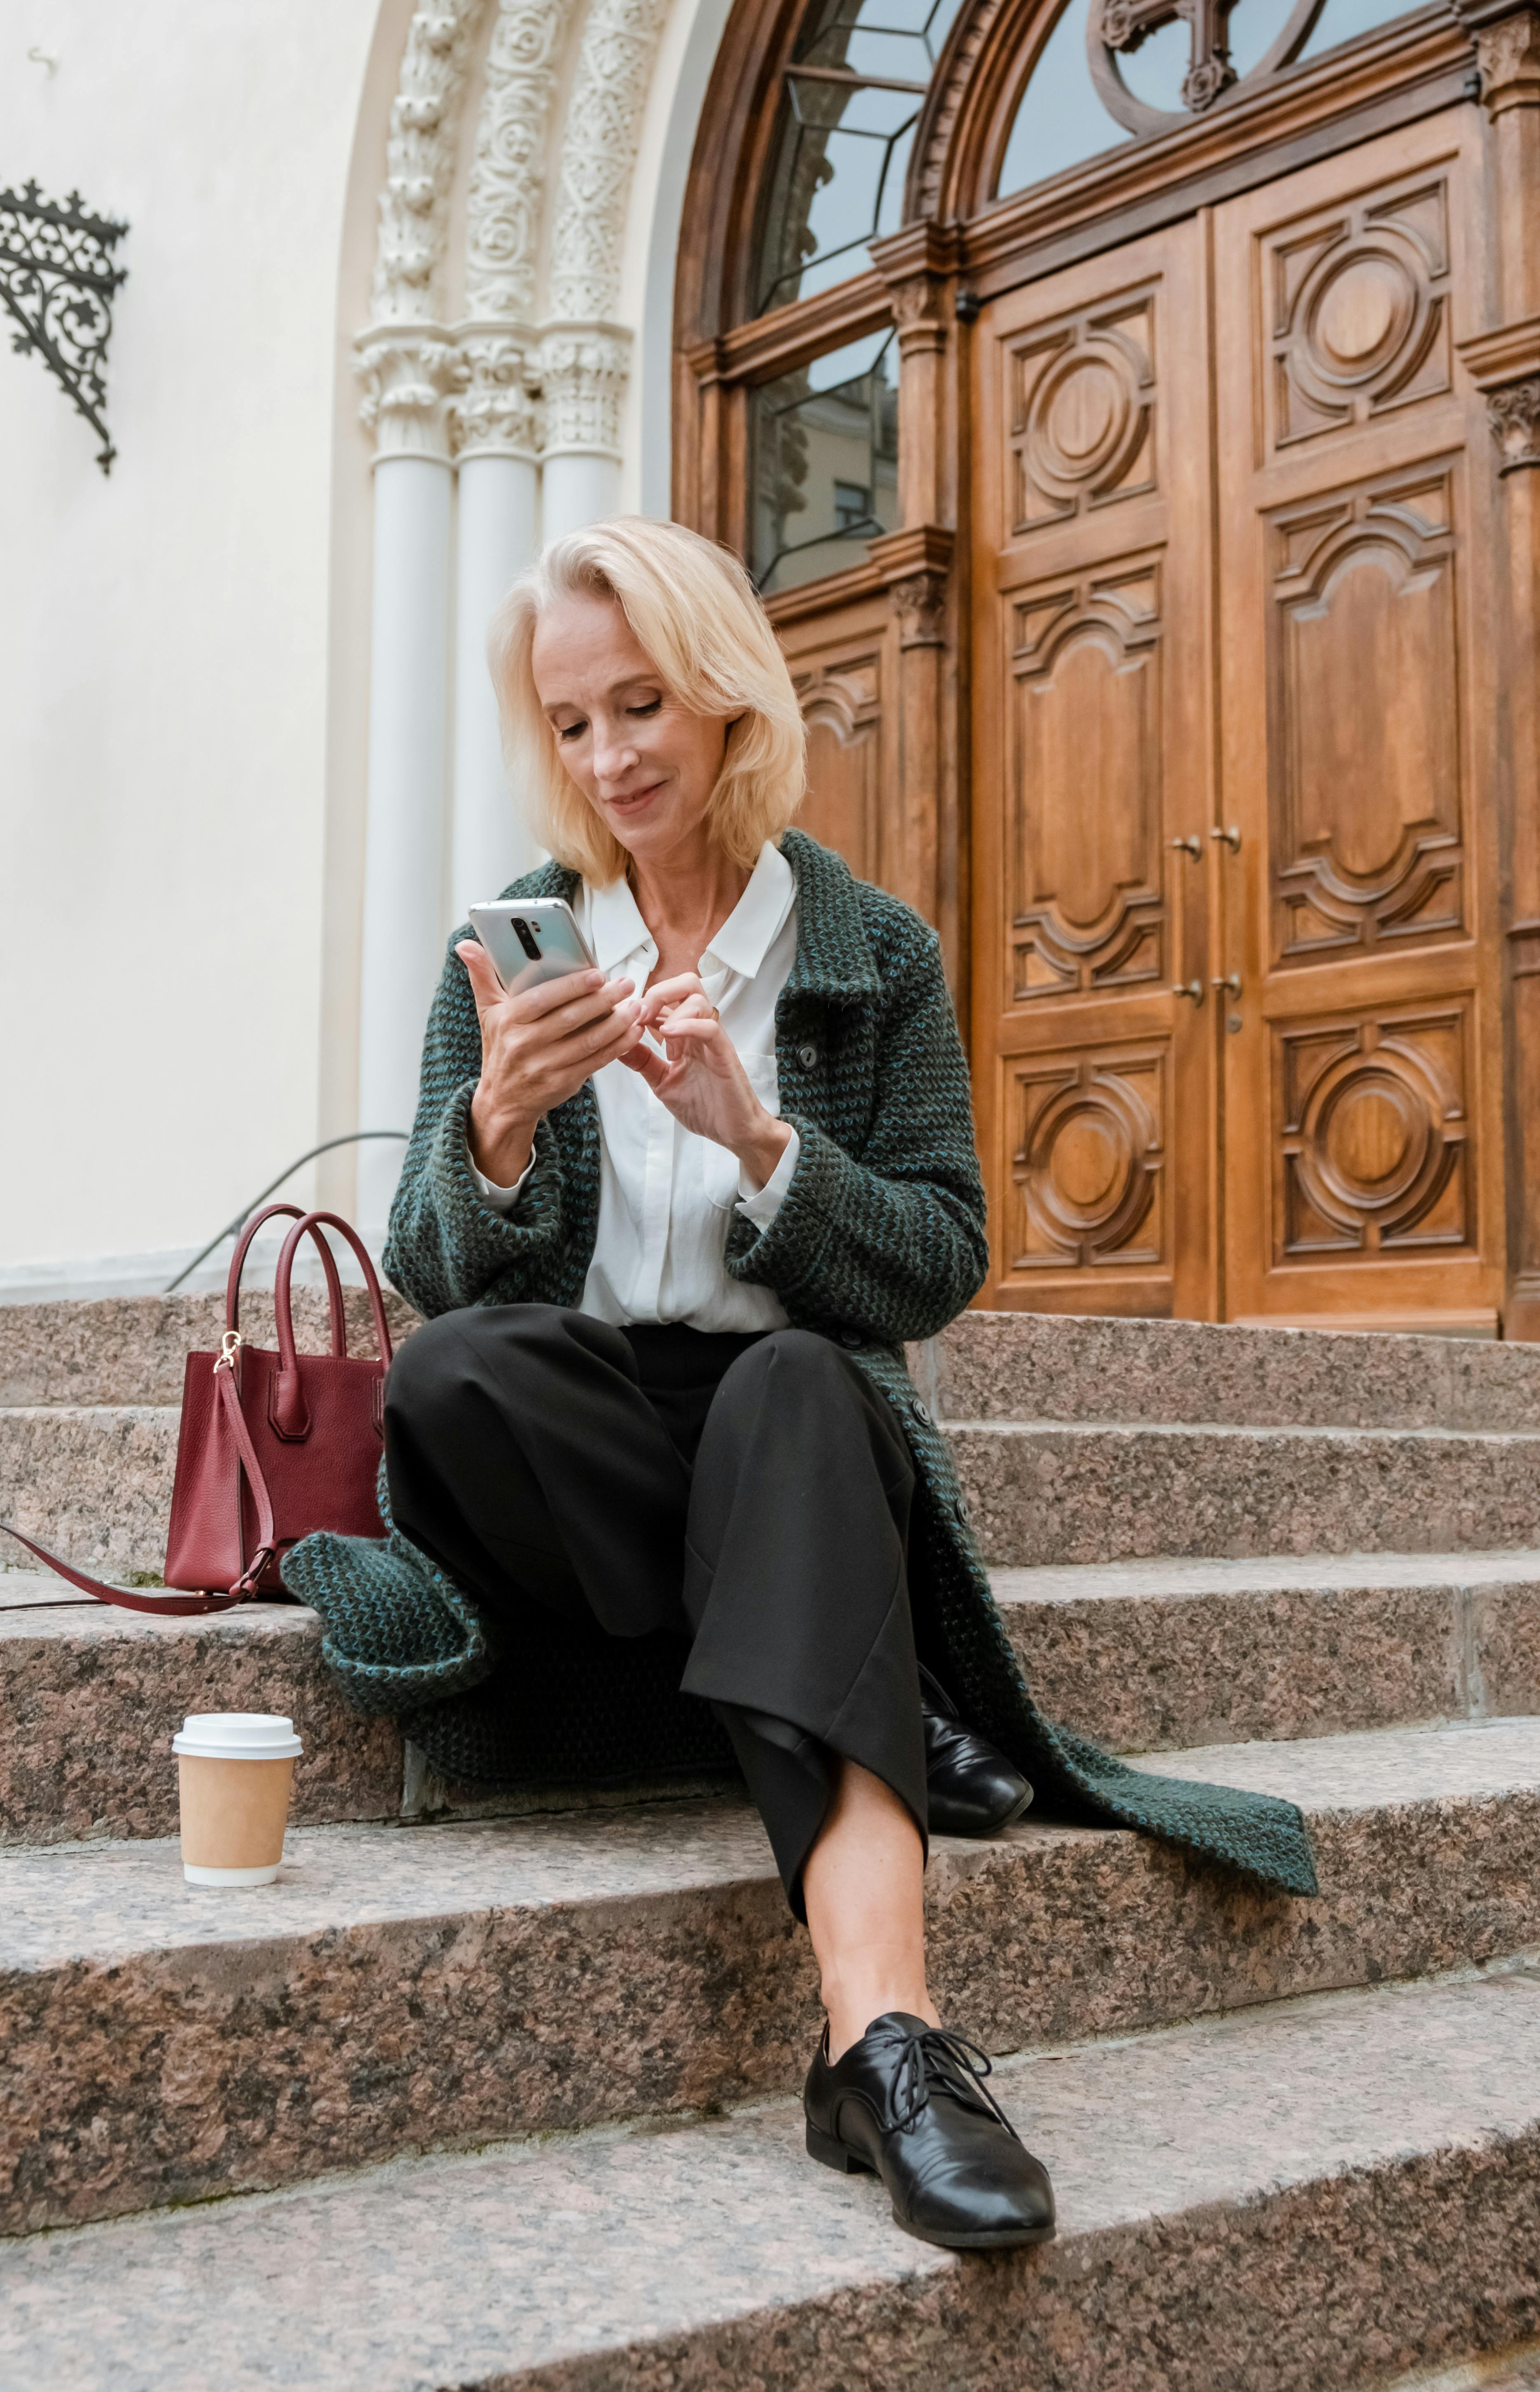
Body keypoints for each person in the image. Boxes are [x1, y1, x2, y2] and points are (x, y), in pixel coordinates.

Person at [286, 516, 1317, 2258]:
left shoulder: (868, 951)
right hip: (588, 1443)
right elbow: (425, 1258)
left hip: (791, 1425)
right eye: (570, 722)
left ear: (726, 702)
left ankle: (883, 2046)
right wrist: (499, 1123)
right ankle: (831, 1667)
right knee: (461, 1369)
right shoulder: (516, 947)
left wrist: (760, 1142)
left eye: (641, 706)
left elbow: (937, 1257)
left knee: (796, 1395)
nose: (608, 757)